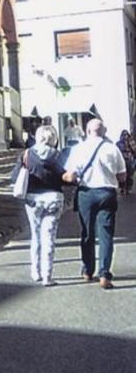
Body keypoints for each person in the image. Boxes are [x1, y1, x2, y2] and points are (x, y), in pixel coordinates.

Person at [63, 118, 126, 289]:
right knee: (106, 233)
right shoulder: (112, 149)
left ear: (87, 130)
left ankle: (87, 270)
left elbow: (70, 174)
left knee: (87, 232)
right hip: (107, 192)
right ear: (104, 131)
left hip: (86, 192)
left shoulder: (78, 149)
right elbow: (122, 176)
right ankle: (104, 273)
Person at [11, 124, 68, 286]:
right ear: (53, 139)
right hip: (54, 198)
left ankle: (35, 271)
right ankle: (47, 276)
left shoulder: (27, 154)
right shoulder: (59, 156)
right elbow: (66, 177)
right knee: (49, 237)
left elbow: (14, 177)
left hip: (32, 199)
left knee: (35, 235)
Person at [116, 130, 134, 196]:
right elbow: (117, 152)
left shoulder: (131, 142)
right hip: (122, 160)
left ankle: (129, 188)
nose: (125, 136)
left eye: (126, 135)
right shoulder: (118, 143)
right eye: (124, 135)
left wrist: (130, 144)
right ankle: (122, 188)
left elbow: (134, 151)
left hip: (129, 160)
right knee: (122, 174)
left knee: (130, 174)